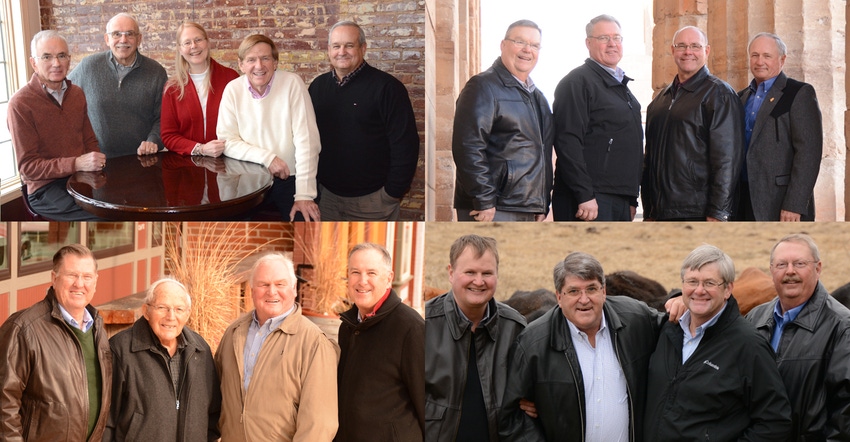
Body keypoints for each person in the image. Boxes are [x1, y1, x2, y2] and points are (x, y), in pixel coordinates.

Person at [499, 252, 670, 441]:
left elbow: (680, 330)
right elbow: (514, 418)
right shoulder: (532, 344)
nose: (584, 299)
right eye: (573, 291)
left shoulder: (636, 319)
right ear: (559, 297)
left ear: (603, 291)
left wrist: (679, 298)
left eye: (591, 289)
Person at [644, 244, 791, 441]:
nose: (699, 290)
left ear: (728, 289)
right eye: (692, 282)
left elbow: (775, 422)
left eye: (710, 283)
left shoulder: (748, 345)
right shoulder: (667, 330)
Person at [215, 253, 338, 441]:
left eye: (280, 284)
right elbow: (217, 398)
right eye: (263, 284)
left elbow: (318, 425)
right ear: (252, 290)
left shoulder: (314, 343)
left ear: (294, 288)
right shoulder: (234, 333)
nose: (271, 292)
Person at [309, 21, 420, 221]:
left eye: (349, 45)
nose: (341, 51)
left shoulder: (387, 88)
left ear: (363, 48)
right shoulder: (317, 87)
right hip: (327, 200)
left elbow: (405, 145)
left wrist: (391, 193)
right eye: (336, 46)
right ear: (328, 50)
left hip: (373, 202)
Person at [0, 244, 112, 441]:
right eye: (71, 275)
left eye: (87, 277)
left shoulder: (98, 330)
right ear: (54, 278)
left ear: (95, 281)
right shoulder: (24, 329)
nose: (79, 284)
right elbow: (4, 403)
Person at [746, 233, 850, 439]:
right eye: (781, 264)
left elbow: (845, 409)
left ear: (818, 268)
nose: (790, 271)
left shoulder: (842, 326)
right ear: (771, 270)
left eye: (800, 263)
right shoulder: (754, 318)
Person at [425, 234, 526, 441]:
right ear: (451, 273)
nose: (478, 282)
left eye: (487, 273)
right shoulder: (423, 325)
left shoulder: (515, 328)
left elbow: (534, 391)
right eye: (470, 272)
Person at [452, 19, 554, 222]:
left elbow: (542, 153)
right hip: (492, 207)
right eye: (520, 42)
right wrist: (483, 197)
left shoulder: (539, 98)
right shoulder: (483, 86)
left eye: (534, 45)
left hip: (527, 207)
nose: (527, 50)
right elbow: (468, 146)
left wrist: (541, 202)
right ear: (503, 45)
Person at [642, 26, 744, 221]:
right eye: (681, 46)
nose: (688, 52)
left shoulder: (719, 94)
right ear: (672, 50)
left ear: (706, 51)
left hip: (699, 212)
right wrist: (649, 210)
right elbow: (649, 160)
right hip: (661, 213)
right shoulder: (659, 101)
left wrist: (718, 212)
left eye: (695, 46)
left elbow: (727, 160)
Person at [217, 34, 322, 221]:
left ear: (275, 62)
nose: (259, 66)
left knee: (305, 225)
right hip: (249, 178)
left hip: (292, 178)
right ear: (241, 65)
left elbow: (307, 142)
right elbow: (227, 141)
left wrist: (304, 195)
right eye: (251, 60)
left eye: (265, 58)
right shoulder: (232, 90)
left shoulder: (292, 84)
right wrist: (268, 158)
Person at [551, 15, 643, 222]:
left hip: (617, 197)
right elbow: (568, 141)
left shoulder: (621, 86)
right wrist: (584, 194)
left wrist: (631, 199)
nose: (612, 44)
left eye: (617, 38)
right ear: (588, 43)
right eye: (604, 38)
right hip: (589, 199)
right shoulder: (577, 82)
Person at [105, 278, 220, 441]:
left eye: (179, 309)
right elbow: (106, 422)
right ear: (146, 311)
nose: (171, 317)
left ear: (187, 314)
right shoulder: (120, 350)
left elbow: (213, 415)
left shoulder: (200, 350)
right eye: (162, 308)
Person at [8, 30, 106, 221]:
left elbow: (89, 140)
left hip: (80, 178)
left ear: (69, 60)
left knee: (118, 210)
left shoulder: (76, 94)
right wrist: (75, 163)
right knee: (100, 220)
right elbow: (28, 167)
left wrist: (93, 163)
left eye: (62, 56)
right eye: (47, 57)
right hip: (45, 189)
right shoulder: (20, 104)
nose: (56, 63)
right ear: (33, 63)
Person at [336, 243, 425, 441]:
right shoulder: (348, 326)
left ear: (389, 278)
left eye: (371, 273)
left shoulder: (410, 328)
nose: (362, 281)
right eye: (355, 272)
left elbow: (427, 403)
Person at [736, 33, 823, 221]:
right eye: (755, 55)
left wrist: (794, 204)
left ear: (782, 60)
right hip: (742, 199)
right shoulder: (740, 97)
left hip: (780, 202)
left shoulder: (799, 93)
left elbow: (809, 153)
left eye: (767, 56)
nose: (760, 61)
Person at [68, 12, 167, 158]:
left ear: (139, 39)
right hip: (97, 162)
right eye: (116, 34)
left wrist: (153, 141)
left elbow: (163, 118)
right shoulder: (88, 67)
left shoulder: (156, 72)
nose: (123, 39)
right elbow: (63, 97)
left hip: (142, 161)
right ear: (107, 39)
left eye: (130, 34)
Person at [161, 22, 240, 157]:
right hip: (188, 166)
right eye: (187, 42)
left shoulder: (231, 78)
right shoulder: (172, 88)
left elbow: (243, 124)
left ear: (207, 43)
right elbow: (168, 135)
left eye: (198, 40)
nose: (194, 46)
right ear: (180, 49)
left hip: (228, 161)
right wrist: (200, 149)